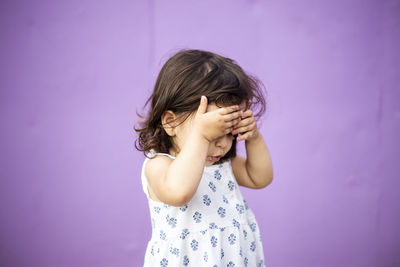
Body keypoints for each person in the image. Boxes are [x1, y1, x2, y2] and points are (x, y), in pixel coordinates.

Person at [135, 49, 273, 267]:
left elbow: (260, 177)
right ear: (170, 122)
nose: (223, 143)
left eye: (230, 131)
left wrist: (253, 137)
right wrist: (201, 135)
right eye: (212, 134)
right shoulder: (159, 166)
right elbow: (179, 192)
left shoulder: (222, 165)